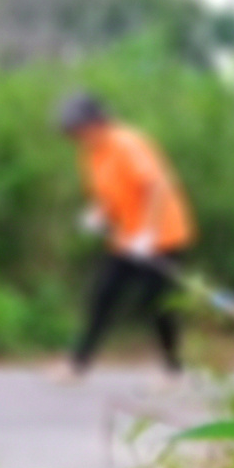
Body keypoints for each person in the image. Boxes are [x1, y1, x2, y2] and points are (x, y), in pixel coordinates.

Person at [54, 92, 195, 378]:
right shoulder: (91, 153)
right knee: (103, 295)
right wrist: (98, 214)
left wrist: (149, 234)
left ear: (96, 122)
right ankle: (77, 364)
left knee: (157, 304)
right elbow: (111, 193)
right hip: (125, 240)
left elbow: (156, 187)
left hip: (162, 237)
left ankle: (174, 370)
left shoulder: (126, 143)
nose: (75, 135)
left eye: (77, 128)